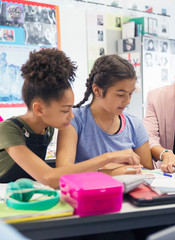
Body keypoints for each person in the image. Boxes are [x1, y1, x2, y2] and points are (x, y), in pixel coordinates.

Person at [0, 49, 139, 188]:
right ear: (39, 109)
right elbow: (49, 178)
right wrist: (109, 157)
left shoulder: (47, 129)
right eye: (65, 110)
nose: (71, 115)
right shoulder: (8, 130)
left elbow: (60, 174)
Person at [56, 54, 153, 174]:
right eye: (120, 94)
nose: (127, 101)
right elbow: (62, 171)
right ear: (97, 90)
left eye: (131, 94)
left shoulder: (135, 124)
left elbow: (148, 171)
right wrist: (111, 171)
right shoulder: (73, 120)